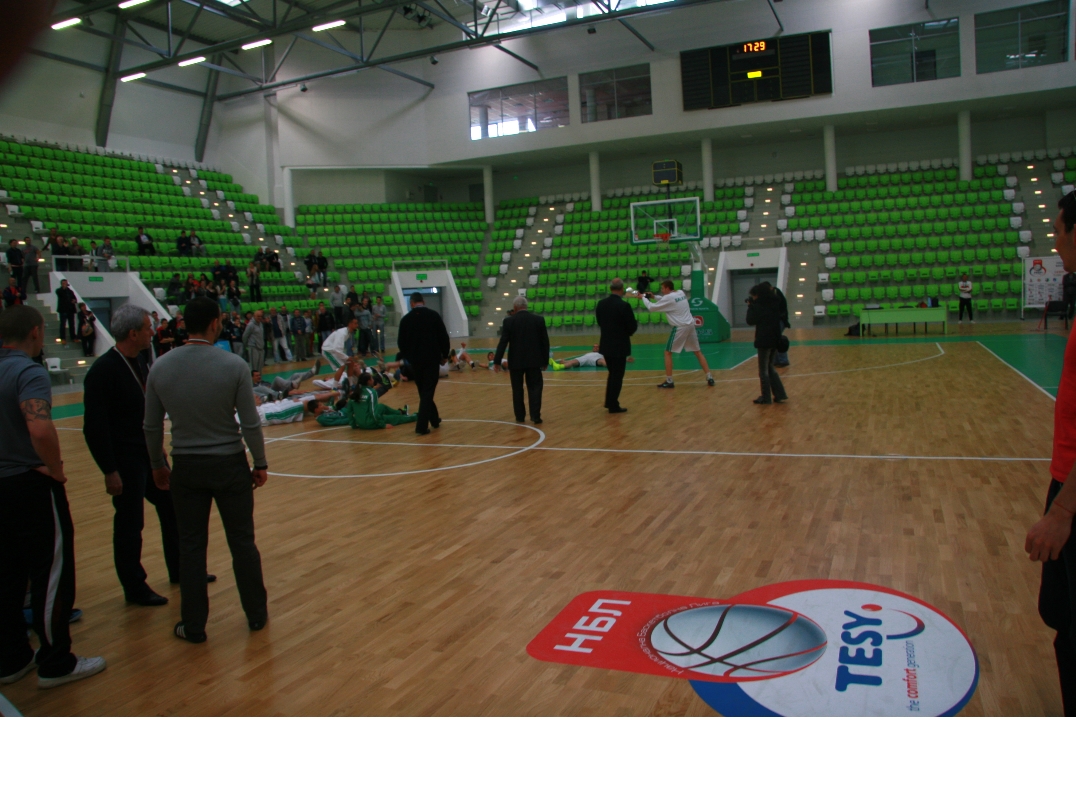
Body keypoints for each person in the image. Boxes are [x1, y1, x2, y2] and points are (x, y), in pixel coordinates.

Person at [144, 297, 270, 644]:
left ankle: (194, 625)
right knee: (242, 542)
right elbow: (249, 423)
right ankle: (256, 615)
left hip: (186, 467)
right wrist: (260, 462)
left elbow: (151, 427)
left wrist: (156, 464)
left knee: (191, 547)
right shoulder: (234, 365)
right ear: (215, 323)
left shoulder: (160, 367)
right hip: (229, 464)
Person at [0, 305, 107, 688]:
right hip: (30, 485)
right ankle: (56, 661)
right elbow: (41, 429)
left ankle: (11, 658)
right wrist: (56, 470)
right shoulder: (28, 371)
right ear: (35, 331)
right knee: (51, 572)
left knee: (7, 573)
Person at [83, 305, 209, 606]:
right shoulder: (103, 371)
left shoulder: (139, 361)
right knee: (130, 523)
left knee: (172, 507)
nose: (153, 331)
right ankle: (134, 586)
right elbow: (94, 427)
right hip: (124, 459)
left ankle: (180, 569)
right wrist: (109, 470)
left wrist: (157, 449)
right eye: (147, 327)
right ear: (133, 333)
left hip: (147, 454)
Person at [1025, 190, 1076, 716]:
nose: (1055, 243)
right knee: (1058, 614)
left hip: (1072, 495)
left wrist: (1063, 511)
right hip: (1064, 478)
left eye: (1059, 232)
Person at [636, 280, 715, 389]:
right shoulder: (680, 292)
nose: (662, 291)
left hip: (680, 327)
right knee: (697, 352)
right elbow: (667, 300)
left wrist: (643, 298)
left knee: (667, 353)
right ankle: (709, 377)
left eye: (663, 288)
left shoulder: (668, 298)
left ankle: (669, 381)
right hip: (690, 325)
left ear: (667, 288)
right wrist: (654, 296)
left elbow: (651, 308)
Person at [396, 291, 449, 435]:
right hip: (432, 360)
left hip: (416, 362)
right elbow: (443, 337)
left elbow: (401, 343)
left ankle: (434, 419)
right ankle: (421, 426)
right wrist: (444, 355)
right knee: (427, 391)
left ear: (411, 303)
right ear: (423, 301)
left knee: (424, 391)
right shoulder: (434, 316)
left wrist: (409, 357)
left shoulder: (406, 320)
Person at [493, 296, 549, 425]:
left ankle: (520, 416)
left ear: (515, 307)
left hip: (516, 361)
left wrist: (497, 361)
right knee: (535, 388)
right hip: (534, 361)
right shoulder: (538, 320)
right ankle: (535, 416)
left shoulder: (509, 321)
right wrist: (545, 360)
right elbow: (545, 342)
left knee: (517, 389)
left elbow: (503, 342)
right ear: (526, 306)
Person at [595, 278, 637, 414]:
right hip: (620, 345)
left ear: (610, 288)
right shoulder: (624, 306)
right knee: (617, 376)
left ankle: (610, 402)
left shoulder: (601, 304)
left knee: (612, 374)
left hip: (606, 344)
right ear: (622, 289)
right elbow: (632, 326)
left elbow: (600, 322)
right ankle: (613, 404)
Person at [745, 284, 787, 405]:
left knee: (763, 371)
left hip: (764, 340)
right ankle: (780, 394)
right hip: (774, 339)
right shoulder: (774, 303)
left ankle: (766, 397)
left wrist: (751, 307)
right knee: (770, 367)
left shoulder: (759, 306)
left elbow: (750, 320)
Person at [251, 361, 321, 402]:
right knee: (277, 379)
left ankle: (312, 372)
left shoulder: (264, 382)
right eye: (257, 376)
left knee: (295, 375)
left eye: (259, 375)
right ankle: (292, 385)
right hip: (270, 396)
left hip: (277, 391)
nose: (259, 377)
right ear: (252, 377)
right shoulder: (253, 388)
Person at [772, 284, 791, 368]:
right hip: (778, 320)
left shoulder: (776, 295)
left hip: (779, 320)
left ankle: (783, 360)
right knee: (775, 340)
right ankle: (777, 360)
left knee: (779, 340)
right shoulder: (777, 295)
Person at [56, 278, 77, 345]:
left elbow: (74, 298)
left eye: (66, 283)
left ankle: (73, 337)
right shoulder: (59, 290)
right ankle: (63, 338)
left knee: (72, 324)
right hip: (63, 310)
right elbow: (60, 295)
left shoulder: (70, 291)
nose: (65, 284)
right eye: (63, 283)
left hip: (70, 310)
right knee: (63, 324)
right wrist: (64, 288)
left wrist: (74, 301)